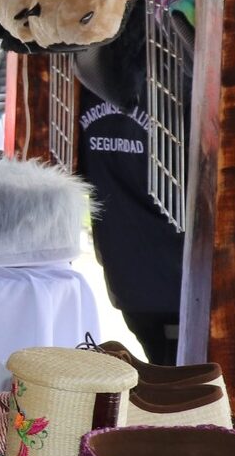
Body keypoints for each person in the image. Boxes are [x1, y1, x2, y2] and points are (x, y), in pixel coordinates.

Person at [77, 86, 183, 364]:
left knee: (164, 364)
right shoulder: (176, 84)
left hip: (128, 271)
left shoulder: (85, 88)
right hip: (171, 277)